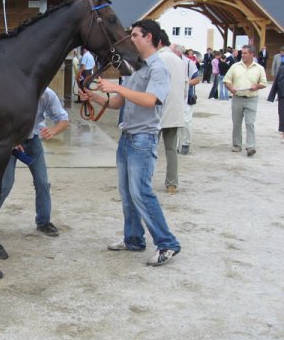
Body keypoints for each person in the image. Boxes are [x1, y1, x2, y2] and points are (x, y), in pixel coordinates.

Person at [80, 19, 180, 266]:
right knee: (127, 194)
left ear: (149, 38)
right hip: (127, 138)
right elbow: (117, 103)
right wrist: (93, 95)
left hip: (143, 139)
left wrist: (117, 88)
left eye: (135, 35)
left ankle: (167, 244)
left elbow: (151, 100)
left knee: (141, 193)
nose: (130, 39)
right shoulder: (134, 68)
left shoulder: (159, 68)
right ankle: (134, 238)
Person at [0, 87, 69, 237]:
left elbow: (63, 120)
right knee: (4, 184)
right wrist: (12, 139)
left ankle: (43, 222)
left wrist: (53, 131)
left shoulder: (48, 95)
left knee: (42, 182)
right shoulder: (14, 92)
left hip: (32, 140)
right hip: (8, 141)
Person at [223, 44, 268, 156]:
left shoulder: (259, 68)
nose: (242, 55)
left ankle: (250, 146)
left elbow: (264, 83)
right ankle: (237, 145)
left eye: (244, 53)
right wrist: (230, 87)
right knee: (237, 123)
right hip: (237, 98)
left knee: (250, 123)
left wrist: (257, 86)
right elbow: (226, 80)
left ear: (252, 54)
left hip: (252, 99)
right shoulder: (235, 66)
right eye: (241, 53)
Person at [158, 31, 186, 194]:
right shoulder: (179, 60)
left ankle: (145, 181)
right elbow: (185, 86)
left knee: (149, 150)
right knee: (171, 150)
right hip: (175, 110)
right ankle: (172, 183)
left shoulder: (157, 59)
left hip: (157, 110)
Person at [171, 44, 200, 155]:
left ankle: (186, 143)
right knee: (175, 121)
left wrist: (185, 83)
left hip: (187, 97)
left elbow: (197, 79)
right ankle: (177, 144)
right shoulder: (171, 62)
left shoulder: (189, 63)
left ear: (178, 52)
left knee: (186, 121)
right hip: (174, 97)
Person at [267, 64, 284, 143]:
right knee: (282, 115)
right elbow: (276, 81)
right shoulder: (282, 68)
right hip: (282, 95)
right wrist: (272, 96)